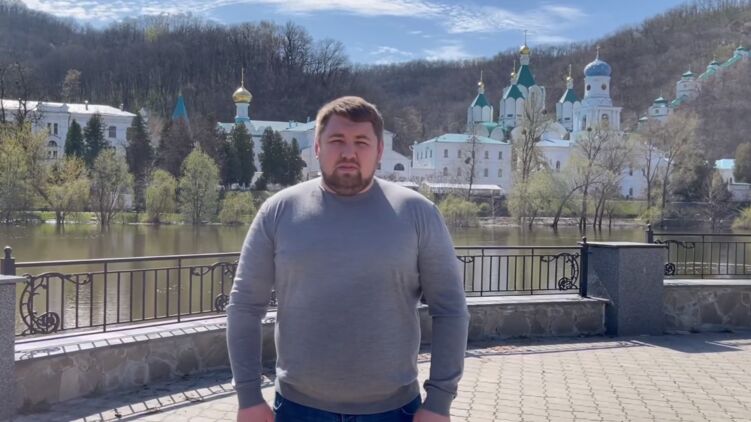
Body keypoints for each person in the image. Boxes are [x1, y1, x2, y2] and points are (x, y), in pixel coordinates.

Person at [227, 96, 469, 422]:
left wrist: (439, 401)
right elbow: (244, 306)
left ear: (379, 150)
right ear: (317, 147)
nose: (348, 152)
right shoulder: (278, 211)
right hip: (298, 410)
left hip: (394, 411)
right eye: (337, 140)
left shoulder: (418, 213)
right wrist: (248, 397)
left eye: (361, 142)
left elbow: (450, 309)